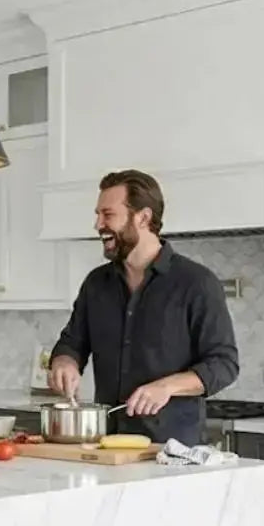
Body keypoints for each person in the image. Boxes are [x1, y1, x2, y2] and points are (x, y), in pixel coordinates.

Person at [48, 169, 240, 446]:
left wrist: (167, 387)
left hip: (172, 450)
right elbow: (72, 343)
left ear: (143, 217)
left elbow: (224, 364)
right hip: (107, 444)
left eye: (107, 214)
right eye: (98, 214)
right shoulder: (96, 283)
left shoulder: (196, 282)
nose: (98, 224)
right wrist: (64, 363)